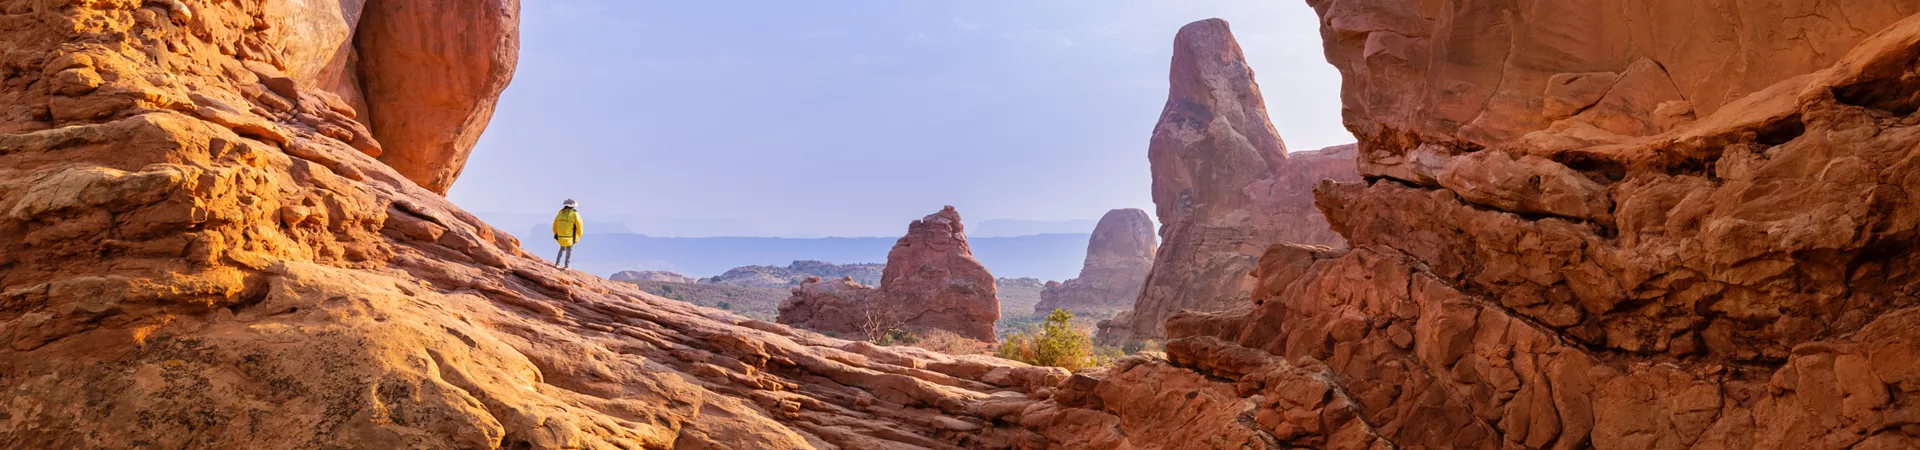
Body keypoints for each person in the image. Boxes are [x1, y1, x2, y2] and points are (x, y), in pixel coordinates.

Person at [551, 199, 583, 269]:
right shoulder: (575, 214)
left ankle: (557, 263)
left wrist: (556, 233)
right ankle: (567, 266)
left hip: (560, 236)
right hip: (570, 237)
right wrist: (579, 235)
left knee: (562, 248)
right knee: (569, 250)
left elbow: (554, 224)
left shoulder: (560, 212)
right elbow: (579, 225)